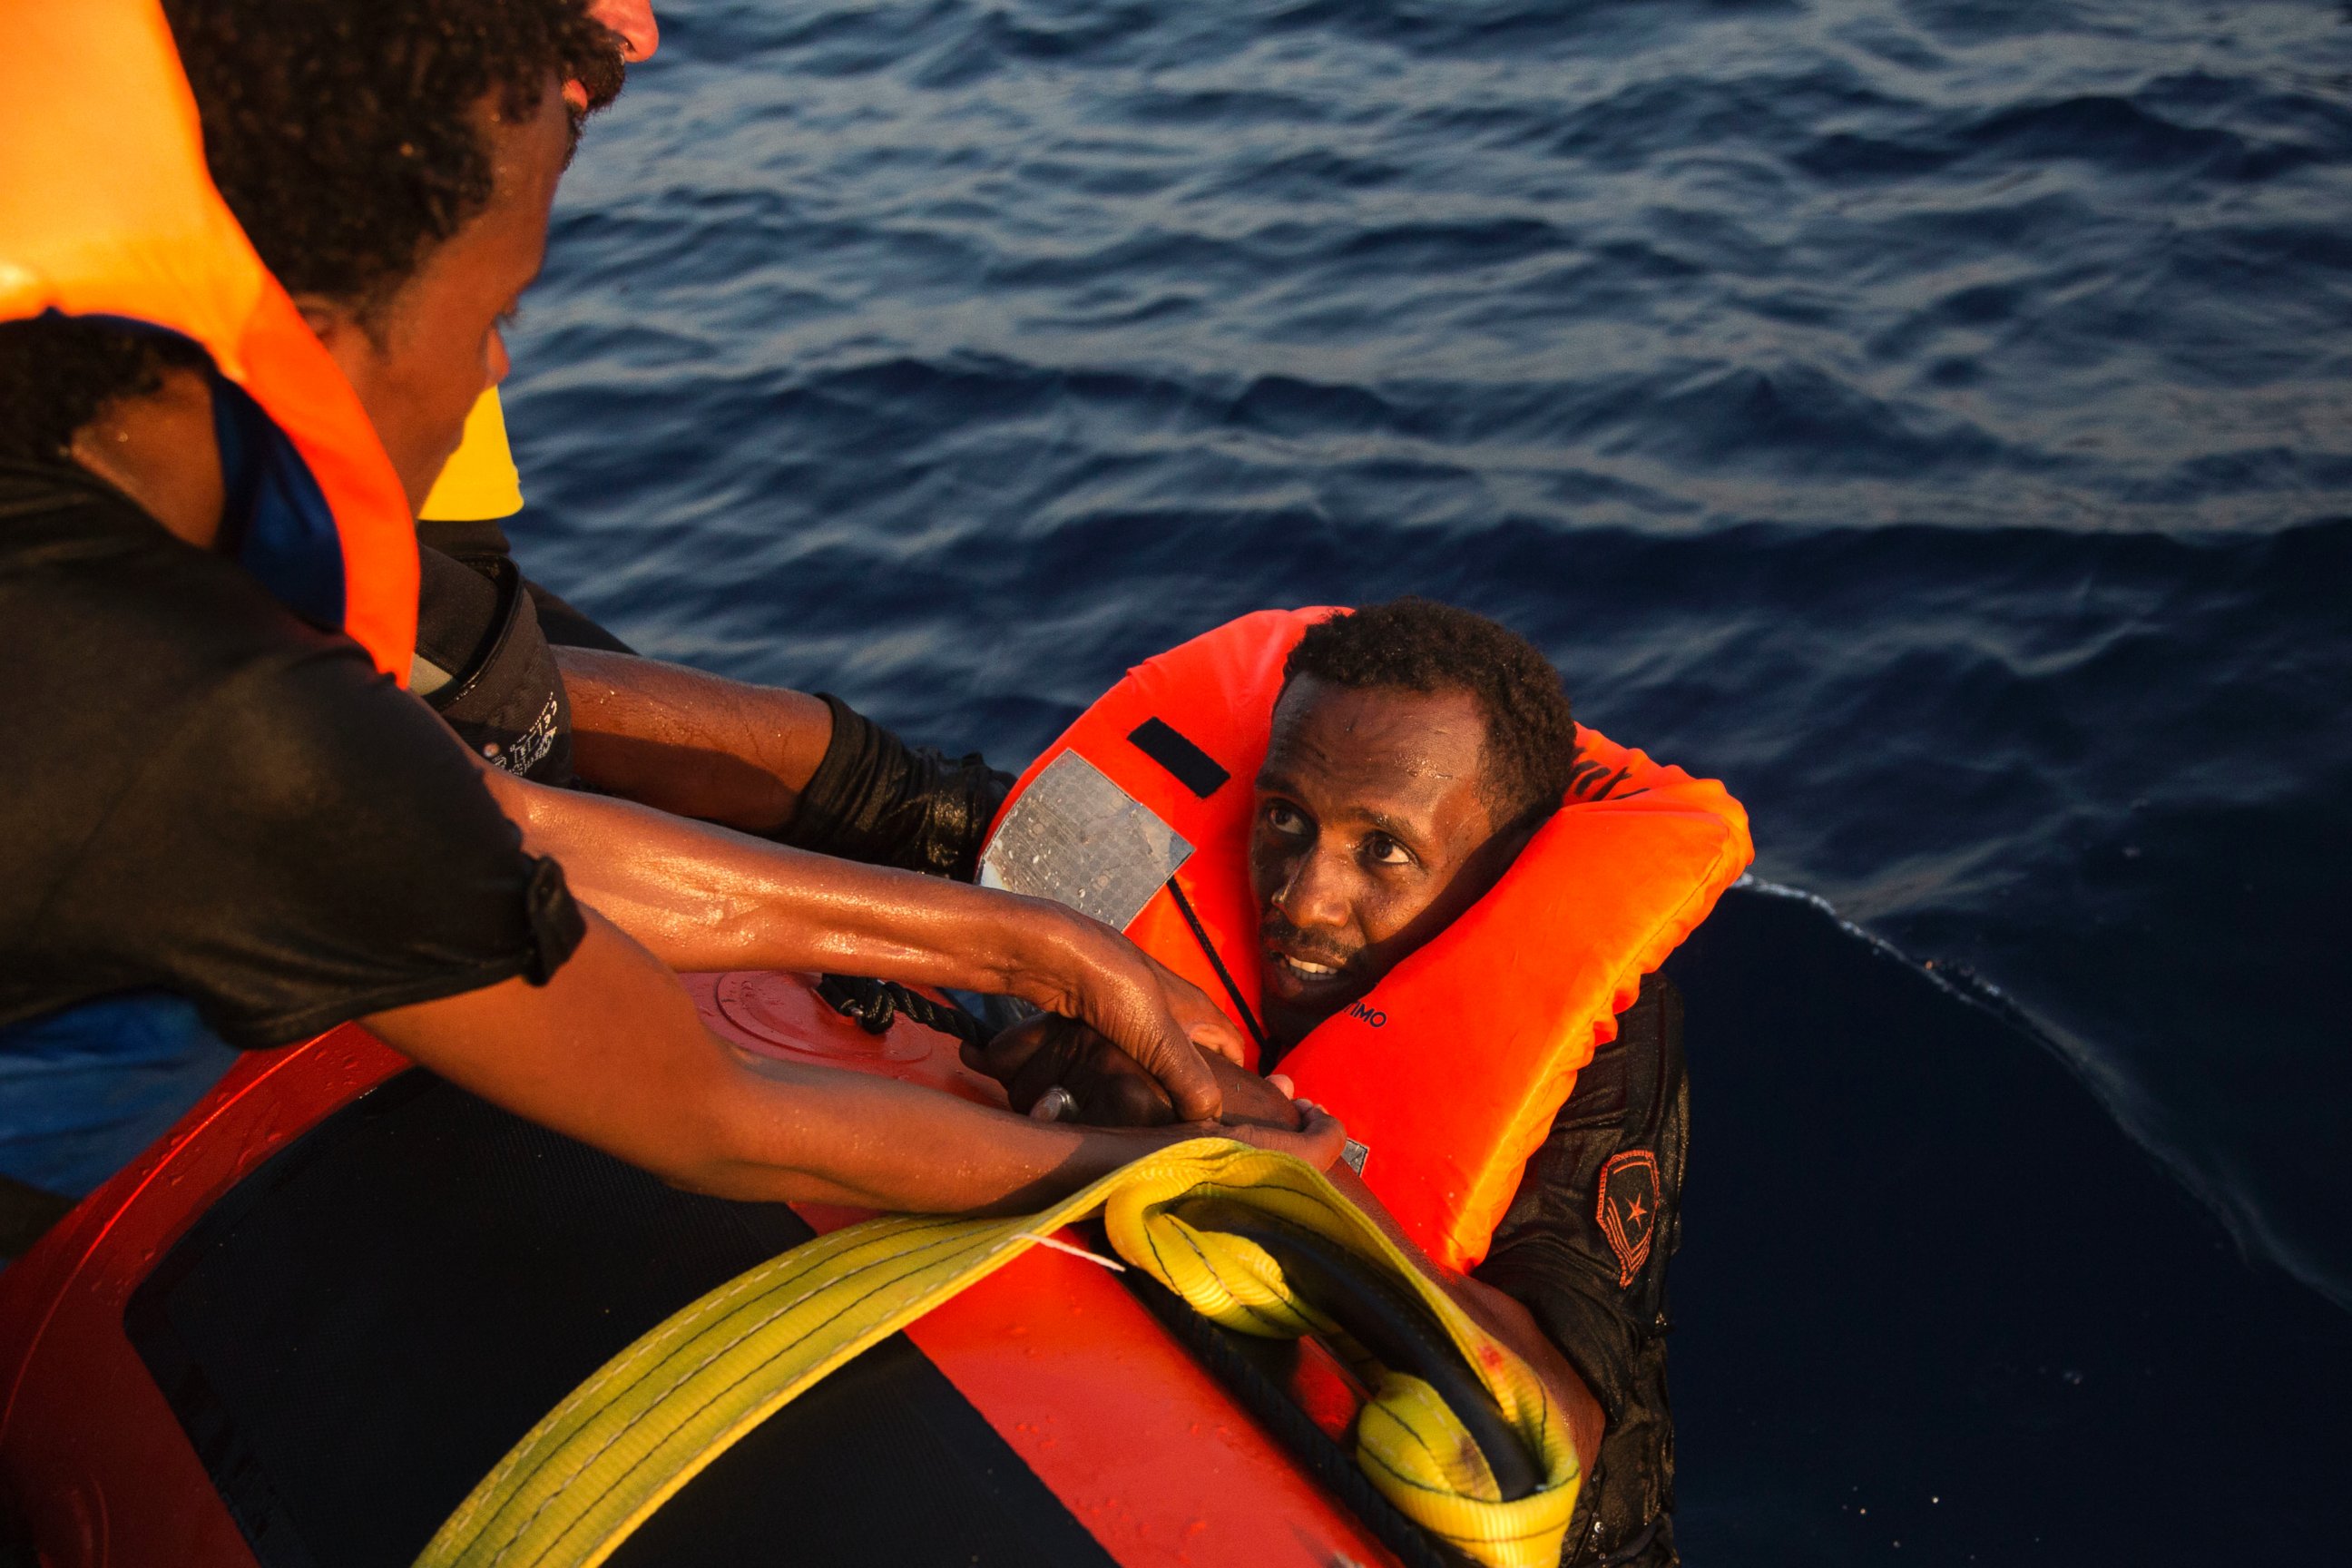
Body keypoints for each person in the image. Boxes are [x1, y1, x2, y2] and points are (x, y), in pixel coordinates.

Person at [0, 0, 1339, 1240]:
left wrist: (1031, 944)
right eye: (494, 313)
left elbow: (490, 822)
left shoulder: (65, 481)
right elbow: (715, 1117)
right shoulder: (221, 729)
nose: (498, 367)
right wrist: (1196, 1173)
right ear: (313, 324)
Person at [971, 600, 1751, 1566]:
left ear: (1500, 876)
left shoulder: (1605, 1043)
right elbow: (888, 792)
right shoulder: (1195, 861)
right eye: (1286, 821)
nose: (1301, 899)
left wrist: (1249, 1136)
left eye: (1384, 851)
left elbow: (1566, 1439)